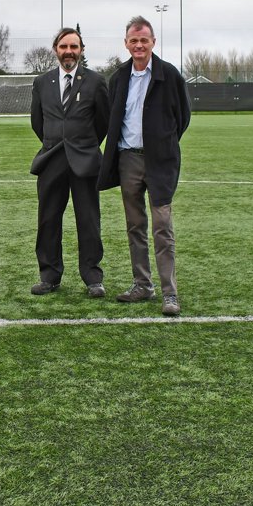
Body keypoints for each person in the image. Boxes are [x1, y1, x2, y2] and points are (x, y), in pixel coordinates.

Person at [98, 16, 191, 316]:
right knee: (135, 225)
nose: (139, 45)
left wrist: (162, 144)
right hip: (128, 160)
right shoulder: (119, 77)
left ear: (153, 42)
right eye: (133, 40)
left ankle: (170, 293)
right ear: (126, 43)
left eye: (144, 40)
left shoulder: (169, 75)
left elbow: (183, 117)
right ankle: (142, 284)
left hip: (160, 161)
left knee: (162, 226)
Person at [29, 27, 110, 297]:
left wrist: (83, 144)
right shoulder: (42, 83)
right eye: (64, 47)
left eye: (74, 47)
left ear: (81, 50)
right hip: (51, 160)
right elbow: (37, 123)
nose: (69, 52)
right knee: (48, 220)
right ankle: (49, 276)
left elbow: (103, 123)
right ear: (55, 50)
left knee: (88, 220)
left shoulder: (96, 82)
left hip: (85, 162)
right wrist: (56, 141)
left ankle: (92, 278)